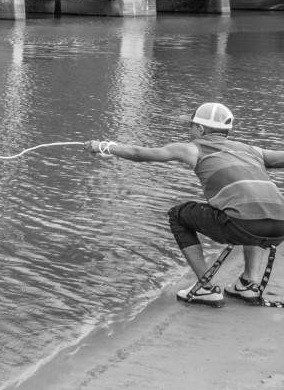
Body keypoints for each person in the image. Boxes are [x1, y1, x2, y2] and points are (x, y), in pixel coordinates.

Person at [84, 102, 284, 307]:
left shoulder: (192, 149)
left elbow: (139, 154)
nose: (189, 130)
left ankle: (206, 289)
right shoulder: (252, 150)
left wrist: (103, 147)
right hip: (279, 226)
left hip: (243, 224)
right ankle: (249, 284)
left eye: (191, 126)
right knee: (253, 207)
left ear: (201, 129)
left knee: (178, 215)